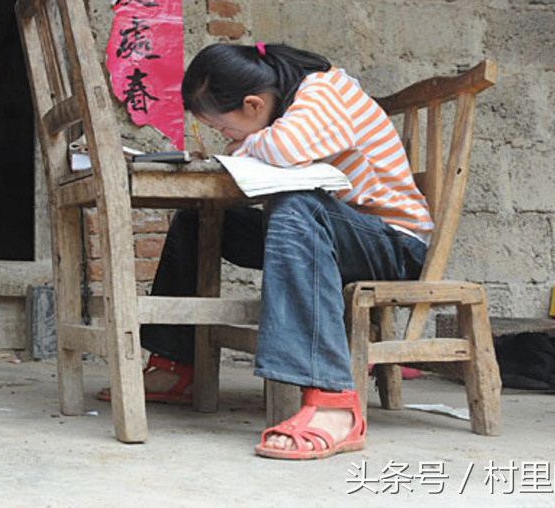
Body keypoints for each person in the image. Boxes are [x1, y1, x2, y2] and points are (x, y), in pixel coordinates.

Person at [137, 41, 431, 460]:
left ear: (254, 105)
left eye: (226, 129)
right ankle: (176, 364)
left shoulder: (325, 90)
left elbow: (286, 149)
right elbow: (279, 148)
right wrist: (246, 144)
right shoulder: (288, 109)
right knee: (197, 219)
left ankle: (333, 402)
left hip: (393, 244)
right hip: (333, 235)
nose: (228, 140)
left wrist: (243, 148)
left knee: (297, 205)